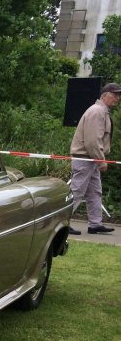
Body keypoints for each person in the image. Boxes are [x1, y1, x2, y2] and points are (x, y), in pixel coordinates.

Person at [68, 82, 119, 235]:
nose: (118, 98)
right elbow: (92, 141)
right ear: (105, 95)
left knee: (94, 192)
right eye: (115, 95)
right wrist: (100, 160)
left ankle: (95, 224)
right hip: (86, 159)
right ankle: (61, 222)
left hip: (90, 159)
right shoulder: (97, 111)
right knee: (77, 191)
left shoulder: (101, 111)